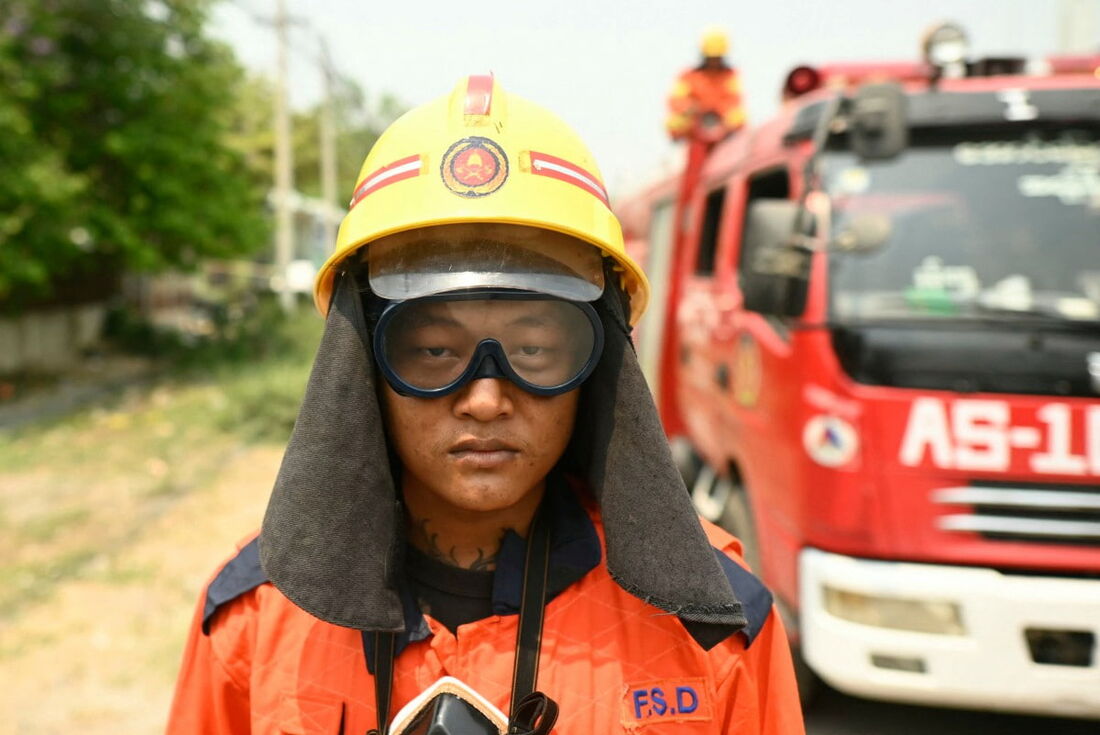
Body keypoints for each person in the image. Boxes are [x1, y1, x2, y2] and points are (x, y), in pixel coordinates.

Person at [167, 74, 803, 735]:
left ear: (598, 361)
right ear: (359, 363)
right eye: (435, 350)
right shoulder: (254, 620)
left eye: (533, 349)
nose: (487, 398)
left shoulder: (713, 631)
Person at [665, 27, 747, 143]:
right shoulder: (688, 76)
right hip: (695, 119)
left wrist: (717, 110)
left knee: (738, 118)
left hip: (721, 119)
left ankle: (734, 145)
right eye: (711, 57)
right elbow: (675, 100)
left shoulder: (730, 75)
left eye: (717, 58)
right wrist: (692, 107)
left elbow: (734, 99)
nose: (714, 61)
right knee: (674, 122)